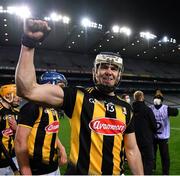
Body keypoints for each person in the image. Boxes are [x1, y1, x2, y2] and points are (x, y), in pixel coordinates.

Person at [15, 18, 143, 175]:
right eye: (103, 67)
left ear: (119, 74)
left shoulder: (126, 108)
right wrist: (28, 43)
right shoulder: (76, 96)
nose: (109, 72)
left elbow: (132, 150)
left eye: (114, 68)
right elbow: (27, 90)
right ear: (94, 71)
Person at [15, 71, 68, 175]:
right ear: (49, 86)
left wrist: (61, 148)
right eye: (60, 86)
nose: (63, 91)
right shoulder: (31, 107)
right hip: (37, 169)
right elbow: (20, 141)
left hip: (53, 166)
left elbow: (50, 131)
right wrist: (25, 170)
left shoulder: (53, 108)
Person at [149, 90, 179, 175]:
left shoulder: (151, 108)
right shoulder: (166, 108)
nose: (156, 99)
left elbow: (176, 112)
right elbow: (176, 112)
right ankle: (162, 171)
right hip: (158, 136)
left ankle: (158, 170)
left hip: (160, 136)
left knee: (161, 155)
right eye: (156, 98)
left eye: (158, 98)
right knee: (157, 155)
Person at [132, 90, 157, 175]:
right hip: (146, 139)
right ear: (142, 97)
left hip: (134, 139)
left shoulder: (130, 110)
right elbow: (154, 125)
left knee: (137, 160)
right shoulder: (147, 109)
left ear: (134, 98)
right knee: (148, 160)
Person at [0, 84, 20, 175]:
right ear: (8, 95)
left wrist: (17, 129)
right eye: (17, 95)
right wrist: (14, 168)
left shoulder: (16, 112)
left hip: (14, 157)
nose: (19, 98)